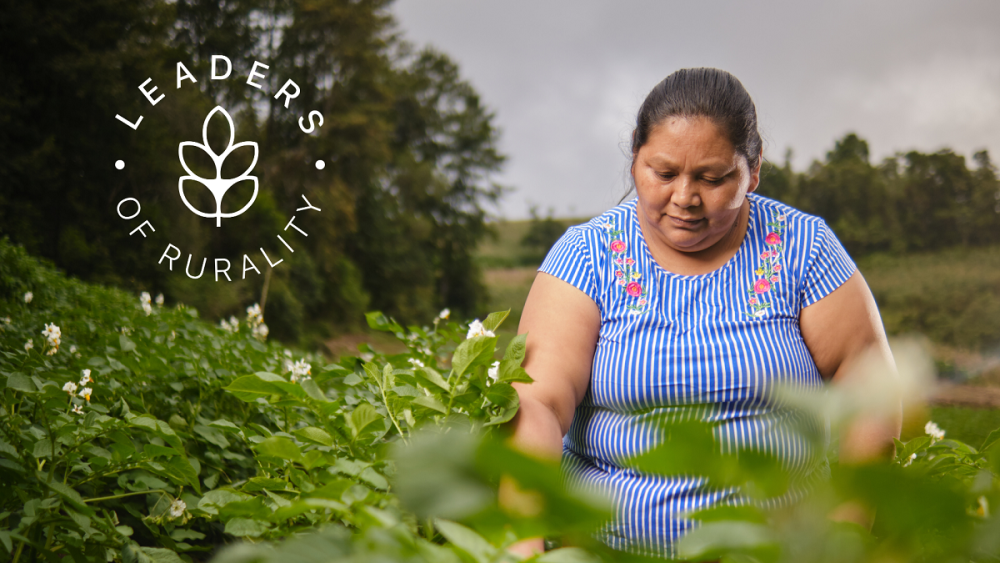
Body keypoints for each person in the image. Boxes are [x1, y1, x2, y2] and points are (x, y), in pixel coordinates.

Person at [506, 68, 901, 558]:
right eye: (664, 173)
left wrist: (844, 536)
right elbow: (537, 405)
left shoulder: (804, 248)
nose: (685, 198)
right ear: (635, 159)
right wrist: (522, 548)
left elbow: (867, 389)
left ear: (753, 170)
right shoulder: (588, 256)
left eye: (713, 178)